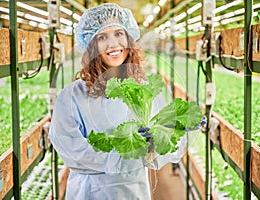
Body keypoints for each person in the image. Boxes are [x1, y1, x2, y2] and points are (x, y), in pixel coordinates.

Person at [49, 3, 186, 200]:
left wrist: (161, 140)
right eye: (102, 37)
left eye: (119, 33)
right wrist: (123, 156)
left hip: (134, 192)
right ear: (91, 45)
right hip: (90, 193)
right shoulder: (72, 96)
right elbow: (74, 153)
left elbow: (168, 144)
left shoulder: (145, 89)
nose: (113, 44)